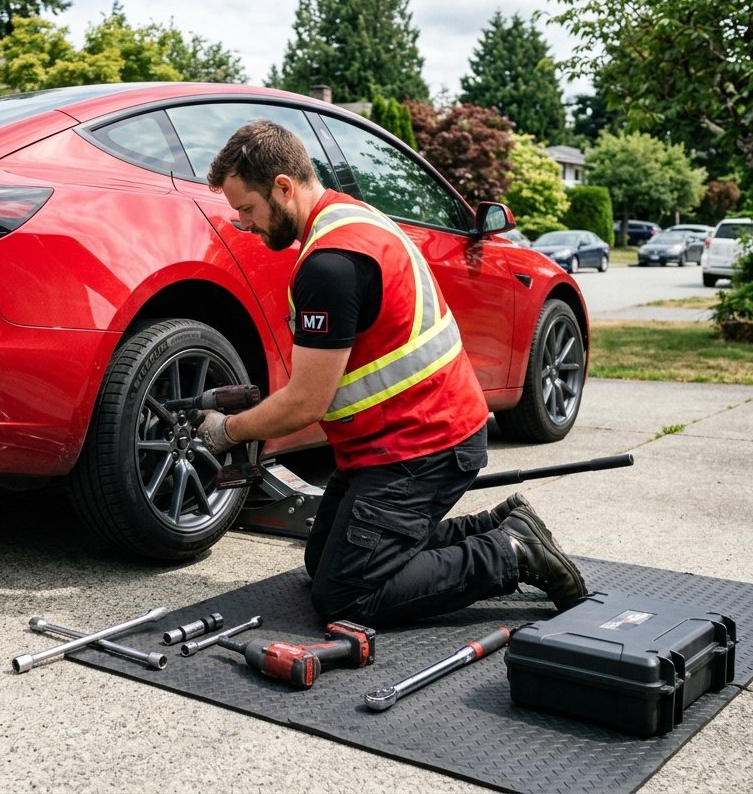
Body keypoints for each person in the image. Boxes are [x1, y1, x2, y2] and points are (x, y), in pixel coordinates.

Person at [200, 119, 587, 627]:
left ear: (283, 187)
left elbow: (307, 402)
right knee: (323, 566)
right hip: (396, 441)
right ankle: (499, 524)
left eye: (246, 208)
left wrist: (227, 431)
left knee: (345, 598)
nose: (245, 224)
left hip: (422, 447)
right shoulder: (351, 218)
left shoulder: (331, 263)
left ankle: (513, 552)